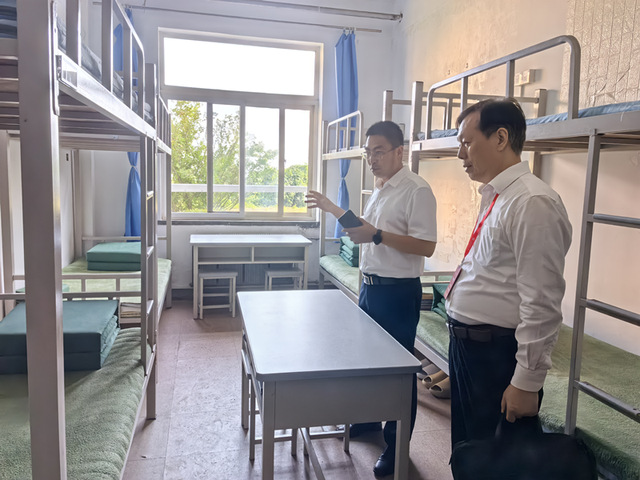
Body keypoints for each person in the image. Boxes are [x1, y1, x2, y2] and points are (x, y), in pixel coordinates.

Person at [306, 120, 437, 477]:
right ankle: (366, 420)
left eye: (379, 152)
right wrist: (332, 208)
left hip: (398, 292)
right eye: (368, 153)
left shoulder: (416, 190)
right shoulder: (380, 189)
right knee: (366, 360)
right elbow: (366, 230)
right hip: (370, 286)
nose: (372, 159)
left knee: (398, 370)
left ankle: (397, 446)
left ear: (399, 152)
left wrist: (377, 235)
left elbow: (426, 245)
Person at [444, 98, 572, 452]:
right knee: (469, 453)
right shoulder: (498, 197)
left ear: (500, 138)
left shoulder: (532, 202)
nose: (460, 154)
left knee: (498, 460)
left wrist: (526, 382)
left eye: (467, 143)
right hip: (471, 348)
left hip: (497, 355)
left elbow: (541, 301)